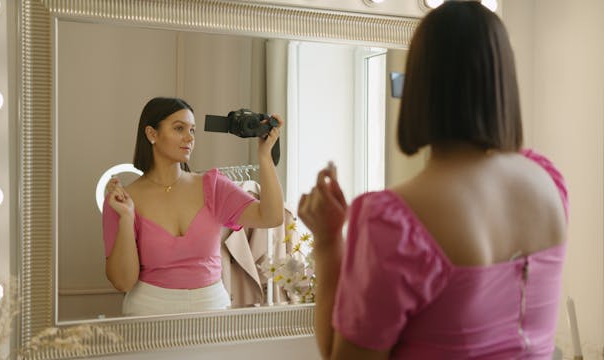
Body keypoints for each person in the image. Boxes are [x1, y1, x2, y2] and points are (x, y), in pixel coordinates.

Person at [298, 2, 568, 359]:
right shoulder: (547, 183)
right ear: (503, 82)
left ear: (421, 85)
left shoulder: (395, 220)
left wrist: (328, 244)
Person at [103, 97, 284, 316]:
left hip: (211, 309)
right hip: (149, 310)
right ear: (152, 134)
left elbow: (272, 217)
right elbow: (123, 282)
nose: (189, 138)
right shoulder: (124, 200)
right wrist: (125, 218)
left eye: (193, 130)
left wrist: (264, 157)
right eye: (179, 128)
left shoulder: (213, 186)